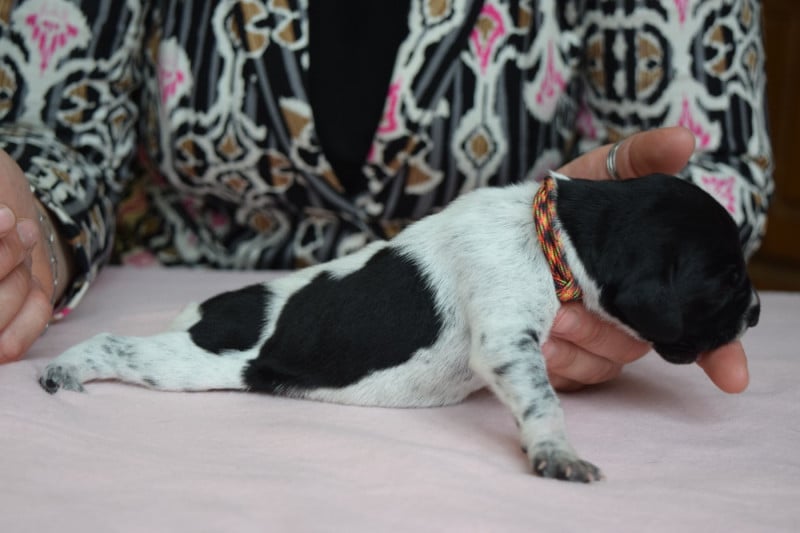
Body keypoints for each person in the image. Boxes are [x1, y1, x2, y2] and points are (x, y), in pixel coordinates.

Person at [0, 1, 772, 395]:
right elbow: (52, 122)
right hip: (195, 332)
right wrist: (23, 220)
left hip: (490, 364)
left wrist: (621, 262)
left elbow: (717, 160)